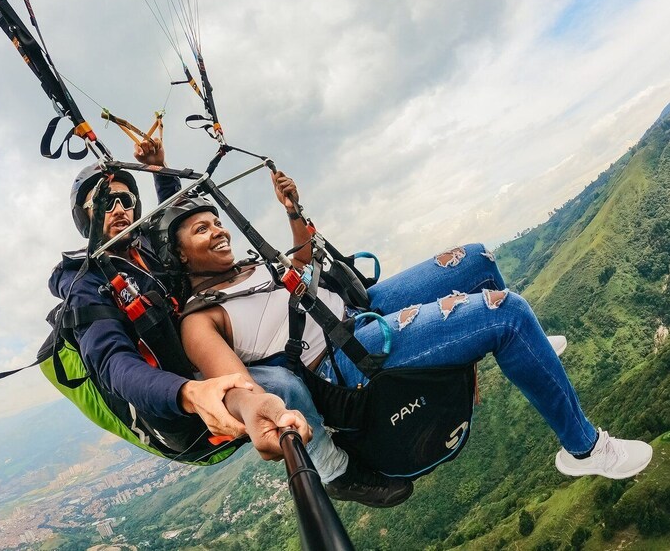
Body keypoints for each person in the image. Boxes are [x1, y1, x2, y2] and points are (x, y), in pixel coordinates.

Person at [157, 169, 653, 496]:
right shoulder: (200, 320)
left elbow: (302, 267)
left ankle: (532, 353)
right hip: (341, 359)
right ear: (180, 257)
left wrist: (293, 212)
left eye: (216, 222)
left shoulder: (250, 267)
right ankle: (586, 449)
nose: (218, 231)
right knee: (505, 314)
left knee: (478, 259)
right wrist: (268, 415)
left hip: (356, 311)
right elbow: (236, 387)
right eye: (201, 230)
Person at [48, 138, 313, 462]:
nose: (118, 209)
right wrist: (189, 392)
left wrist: (158, 167)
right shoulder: (84, 282)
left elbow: (176, 220)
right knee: (280, 385)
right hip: (176, 391)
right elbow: (113, 365)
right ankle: (335, 470)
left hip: (212, 347)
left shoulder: (145, 247)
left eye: (125, 200)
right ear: (85, 215)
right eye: (105, 201)